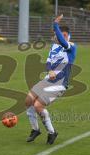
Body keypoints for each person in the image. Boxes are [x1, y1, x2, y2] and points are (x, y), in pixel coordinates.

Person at [25, 14, 77, 145]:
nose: (62, 37)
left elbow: (62, 39)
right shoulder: (54, 47)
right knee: (28, 100)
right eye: (61, 35)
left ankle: (52, 132)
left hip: (60, 83)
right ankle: (35, 129)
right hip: (48, 79)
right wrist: (50, 70)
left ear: (68, 36)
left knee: (38, 105)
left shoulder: (71, 47)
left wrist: (55, 25)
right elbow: (48, 62)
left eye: (65, 35)